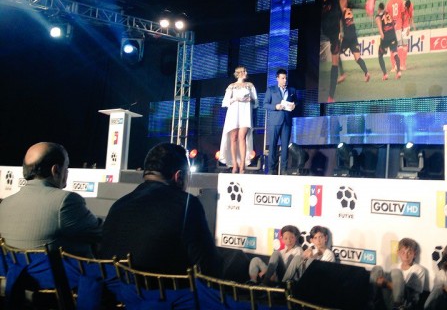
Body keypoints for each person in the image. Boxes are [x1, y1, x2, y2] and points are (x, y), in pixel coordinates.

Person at [99, 142, 221, 277]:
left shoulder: (118, 205)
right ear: (179, 176)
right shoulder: (187, 205)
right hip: (167, 293)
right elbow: (208, 266)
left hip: (121, 292)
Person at [0, 142, 102, 257]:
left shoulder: (5, 204)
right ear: (56, 170)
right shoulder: (65, 201)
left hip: (17, 274)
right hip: (63, 274)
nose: (67, 172)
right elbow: (101, 233)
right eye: (66, 167)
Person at [220, 65, 258, 173]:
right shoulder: (231, 86)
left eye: (246, 71)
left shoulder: (250, 86)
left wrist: (249, 99)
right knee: (234, 138)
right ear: (239, 73)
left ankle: (242, 164)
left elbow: (256, 102)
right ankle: (234, 165)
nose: (246, 73)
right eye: (244, 71)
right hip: (233, 113)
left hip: (245, 113)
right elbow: (225, 102)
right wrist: (235, 98)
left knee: (242, 137)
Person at [370, 237, 426, 310]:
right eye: (403, 253)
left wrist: (386, 283)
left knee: (396, 272)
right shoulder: (394, 266)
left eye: (409, 253)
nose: (406, 256)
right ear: (398, 253)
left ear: (414, 254)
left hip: (407, 302)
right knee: (377, 269)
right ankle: (372, 301)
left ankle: (398, 306)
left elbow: (410, 292)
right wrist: (381, 282)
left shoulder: (419, 269)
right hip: (390, 299)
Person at [264, 68, 297, 174]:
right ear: (277, 78)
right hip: (275, 121)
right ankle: (272, 169)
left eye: (285, 78)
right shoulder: (271, 89)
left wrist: (294, 105)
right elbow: (265, 104)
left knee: (285, 146)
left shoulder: (291, 90)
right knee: (273, 146)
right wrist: (275, 106)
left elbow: (297, 102)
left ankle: (284, 169)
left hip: (286, 121)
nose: (284, 80)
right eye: (282, 78)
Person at [336, 0, 370, 84]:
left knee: (337, 55)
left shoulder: (340, 11)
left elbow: (339, 23)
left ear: (343, 1)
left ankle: (342, 74)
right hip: (353, 36)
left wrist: (340, 34)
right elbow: (357, 5)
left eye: (341, 0)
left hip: (347, 37)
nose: (340, 2)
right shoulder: (349, 9)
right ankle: (366, 73)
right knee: (358, 58)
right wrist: (365, 6)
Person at [320, 0, 342, 102]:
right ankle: (330, 96)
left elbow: (324, 3)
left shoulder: (326, 10)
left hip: (328, 32)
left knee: (335, 64)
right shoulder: (335, 10)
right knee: (335, 65)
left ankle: (330, 96)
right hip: (332, 35)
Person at [376, 2, 401, 80]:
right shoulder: (388, 13)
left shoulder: (378, 16)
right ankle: (399, 72)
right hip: (393, 35)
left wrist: (381, 34)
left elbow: (380, 26)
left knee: (380, 55)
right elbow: (394, 22)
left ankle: (385, 74)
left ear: (379, 9)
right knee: (395, 53)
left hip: (386, 36)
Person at [386, 0, 407, 72]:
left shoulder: (389, 2)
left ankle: (393, 67)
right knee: (400, 45)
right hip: (398, 25)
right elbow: (403, 13)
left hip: (391, 26)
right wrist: (401, 24)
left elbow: (387, 16)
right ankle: (402, 65)